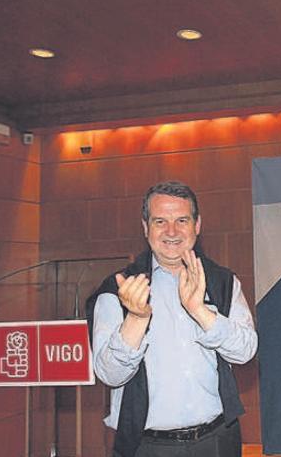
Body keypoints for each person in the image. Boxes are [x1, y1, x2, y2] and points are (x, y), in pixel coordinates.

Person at [87, 181, 258, 457]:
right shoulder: (119, 290)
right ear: (145, 227)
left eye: (182, 220)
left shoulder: (223, 282)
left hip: (217, 441)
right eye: (159, 221)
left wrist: (201, 312)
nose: (171, 232)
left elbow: (245, 351)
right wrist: (136, 318)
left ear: (197, 225)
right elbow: (109, 374)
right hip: (146, 446)